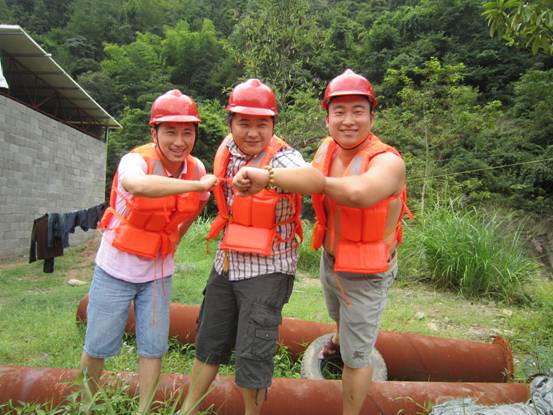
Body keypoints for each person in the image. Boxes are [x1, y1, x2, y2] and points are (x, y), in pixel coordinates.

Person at [232, 69, 411, 415]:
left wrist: (281, 177)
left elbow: (359, 193)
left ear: (372, 117)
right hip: (332, 260)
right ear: (327, 118)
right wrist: (269, 177)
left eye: (358, 111)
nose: (348, 120)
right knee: (337, 314)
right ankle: (339, 339)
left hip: (368, 272)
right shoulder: (327, 148)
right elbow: (303, 178)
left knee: (357, 357)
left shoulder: (389, 162)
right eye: (339, 112)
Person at [181, 79, 324, 415]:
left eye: (262, 124)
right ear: (230, 122)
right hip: (227, 262)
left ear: (273, 125)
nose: (253, 132)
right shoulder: (227, 149)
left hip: (269, 268)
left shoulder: (283, 157)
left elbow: (314, 181)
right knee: (209, 340)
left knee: (253, 352)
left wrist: (267, 177)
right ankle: (187, 409)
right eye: (244, 123)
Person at [78, 89, 218, 414]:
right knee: (97, 345)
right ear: (154, 132)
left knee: (153, 348)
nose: (179, 142)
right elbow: (138, 185)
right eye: (170, 132)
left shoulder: (196, 168)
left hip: (157, 273)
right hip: (115, 269)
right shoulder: (136, 161)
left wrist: (175, 240)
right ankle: (84, 406)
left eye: (187, 132)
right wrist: (197, 185)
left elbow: (195, 209)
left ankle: (144, 410)